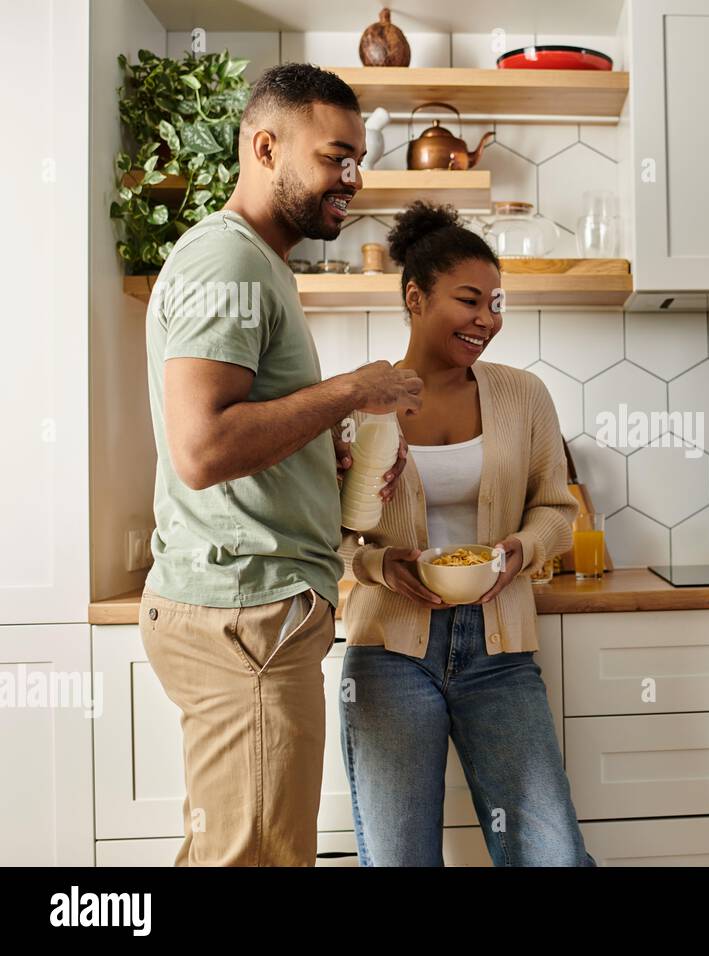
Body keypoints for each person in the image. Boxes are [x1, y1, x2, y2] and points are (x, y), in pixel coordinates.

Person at [140, 63, 421, 866]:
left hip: (257, 612)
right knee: (257, 857)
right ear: (265, 147)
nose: (353, 179)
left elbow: (237, 433)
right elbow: (201, 450)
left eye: (357, 159)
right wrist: (350, 391)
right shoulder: (228, 263)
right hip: (244, 613)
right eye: (336, 157)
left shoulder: (259, 265)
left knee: (252, 849)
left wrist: (319, 459)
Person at [335, 201, 593, 866]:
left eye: (496, 303)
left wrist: (521, 549)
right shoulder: (362, 401)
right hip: (389, 651)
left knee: (551, 855)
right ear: (416, 297)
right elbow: (331, 535)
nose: (487, 319)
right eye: (470, 300)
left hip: (500, 651)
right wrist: (379, 565)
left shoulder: (522, 395)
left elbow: (556, 511)